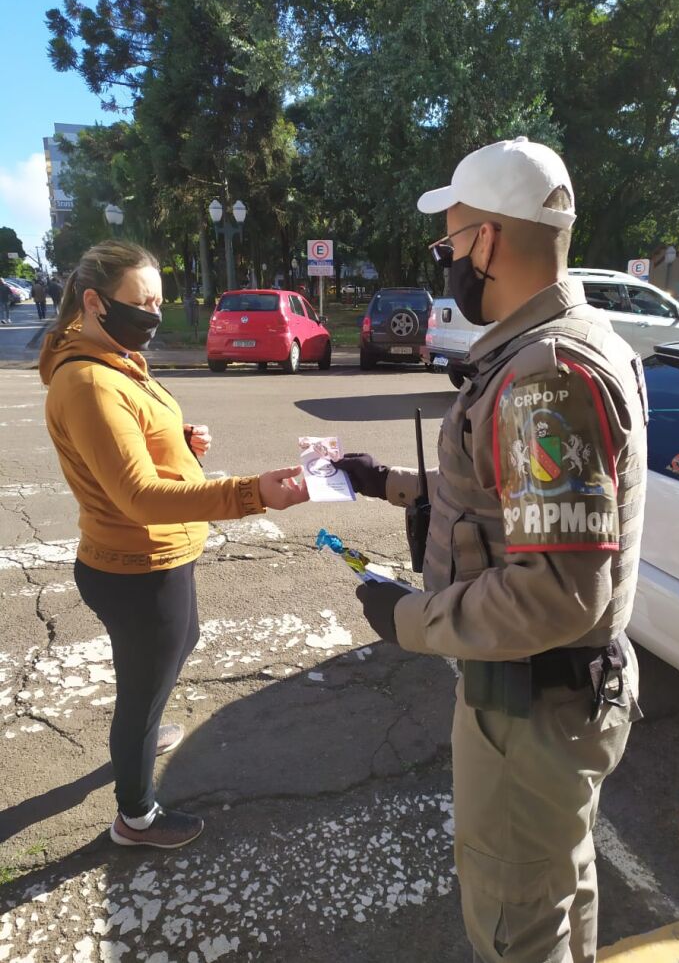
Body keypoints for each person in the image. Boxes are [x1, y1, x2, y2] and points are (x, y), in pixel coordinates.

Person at [337, 138, 648, 963]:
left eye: (450, 241)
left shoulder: (545, 376)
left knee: (517, 921)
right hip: (551, 698)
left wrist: (410, 618)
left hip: (531, 707)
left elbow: (554, 592)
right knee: (556, 881)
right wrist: (396, 484)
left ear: (489, 242)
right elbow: (516, 508)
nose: (445, 259)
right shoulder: (576, 342)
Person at [40, 240, 308, 850]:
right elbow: (136, 495)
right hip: (135, 563)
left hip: (157, 556)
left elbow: (129, 444)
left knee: (176, 646)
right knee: (143, 686)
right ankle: (135, 817)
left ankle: (143, 723)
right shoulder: (89, 381)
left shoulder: (114, 357)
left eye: (160, 301)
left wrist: (180, 442)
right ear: (93, 301)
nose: (155, 315)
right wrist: (251, 494)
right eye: (143, 302)